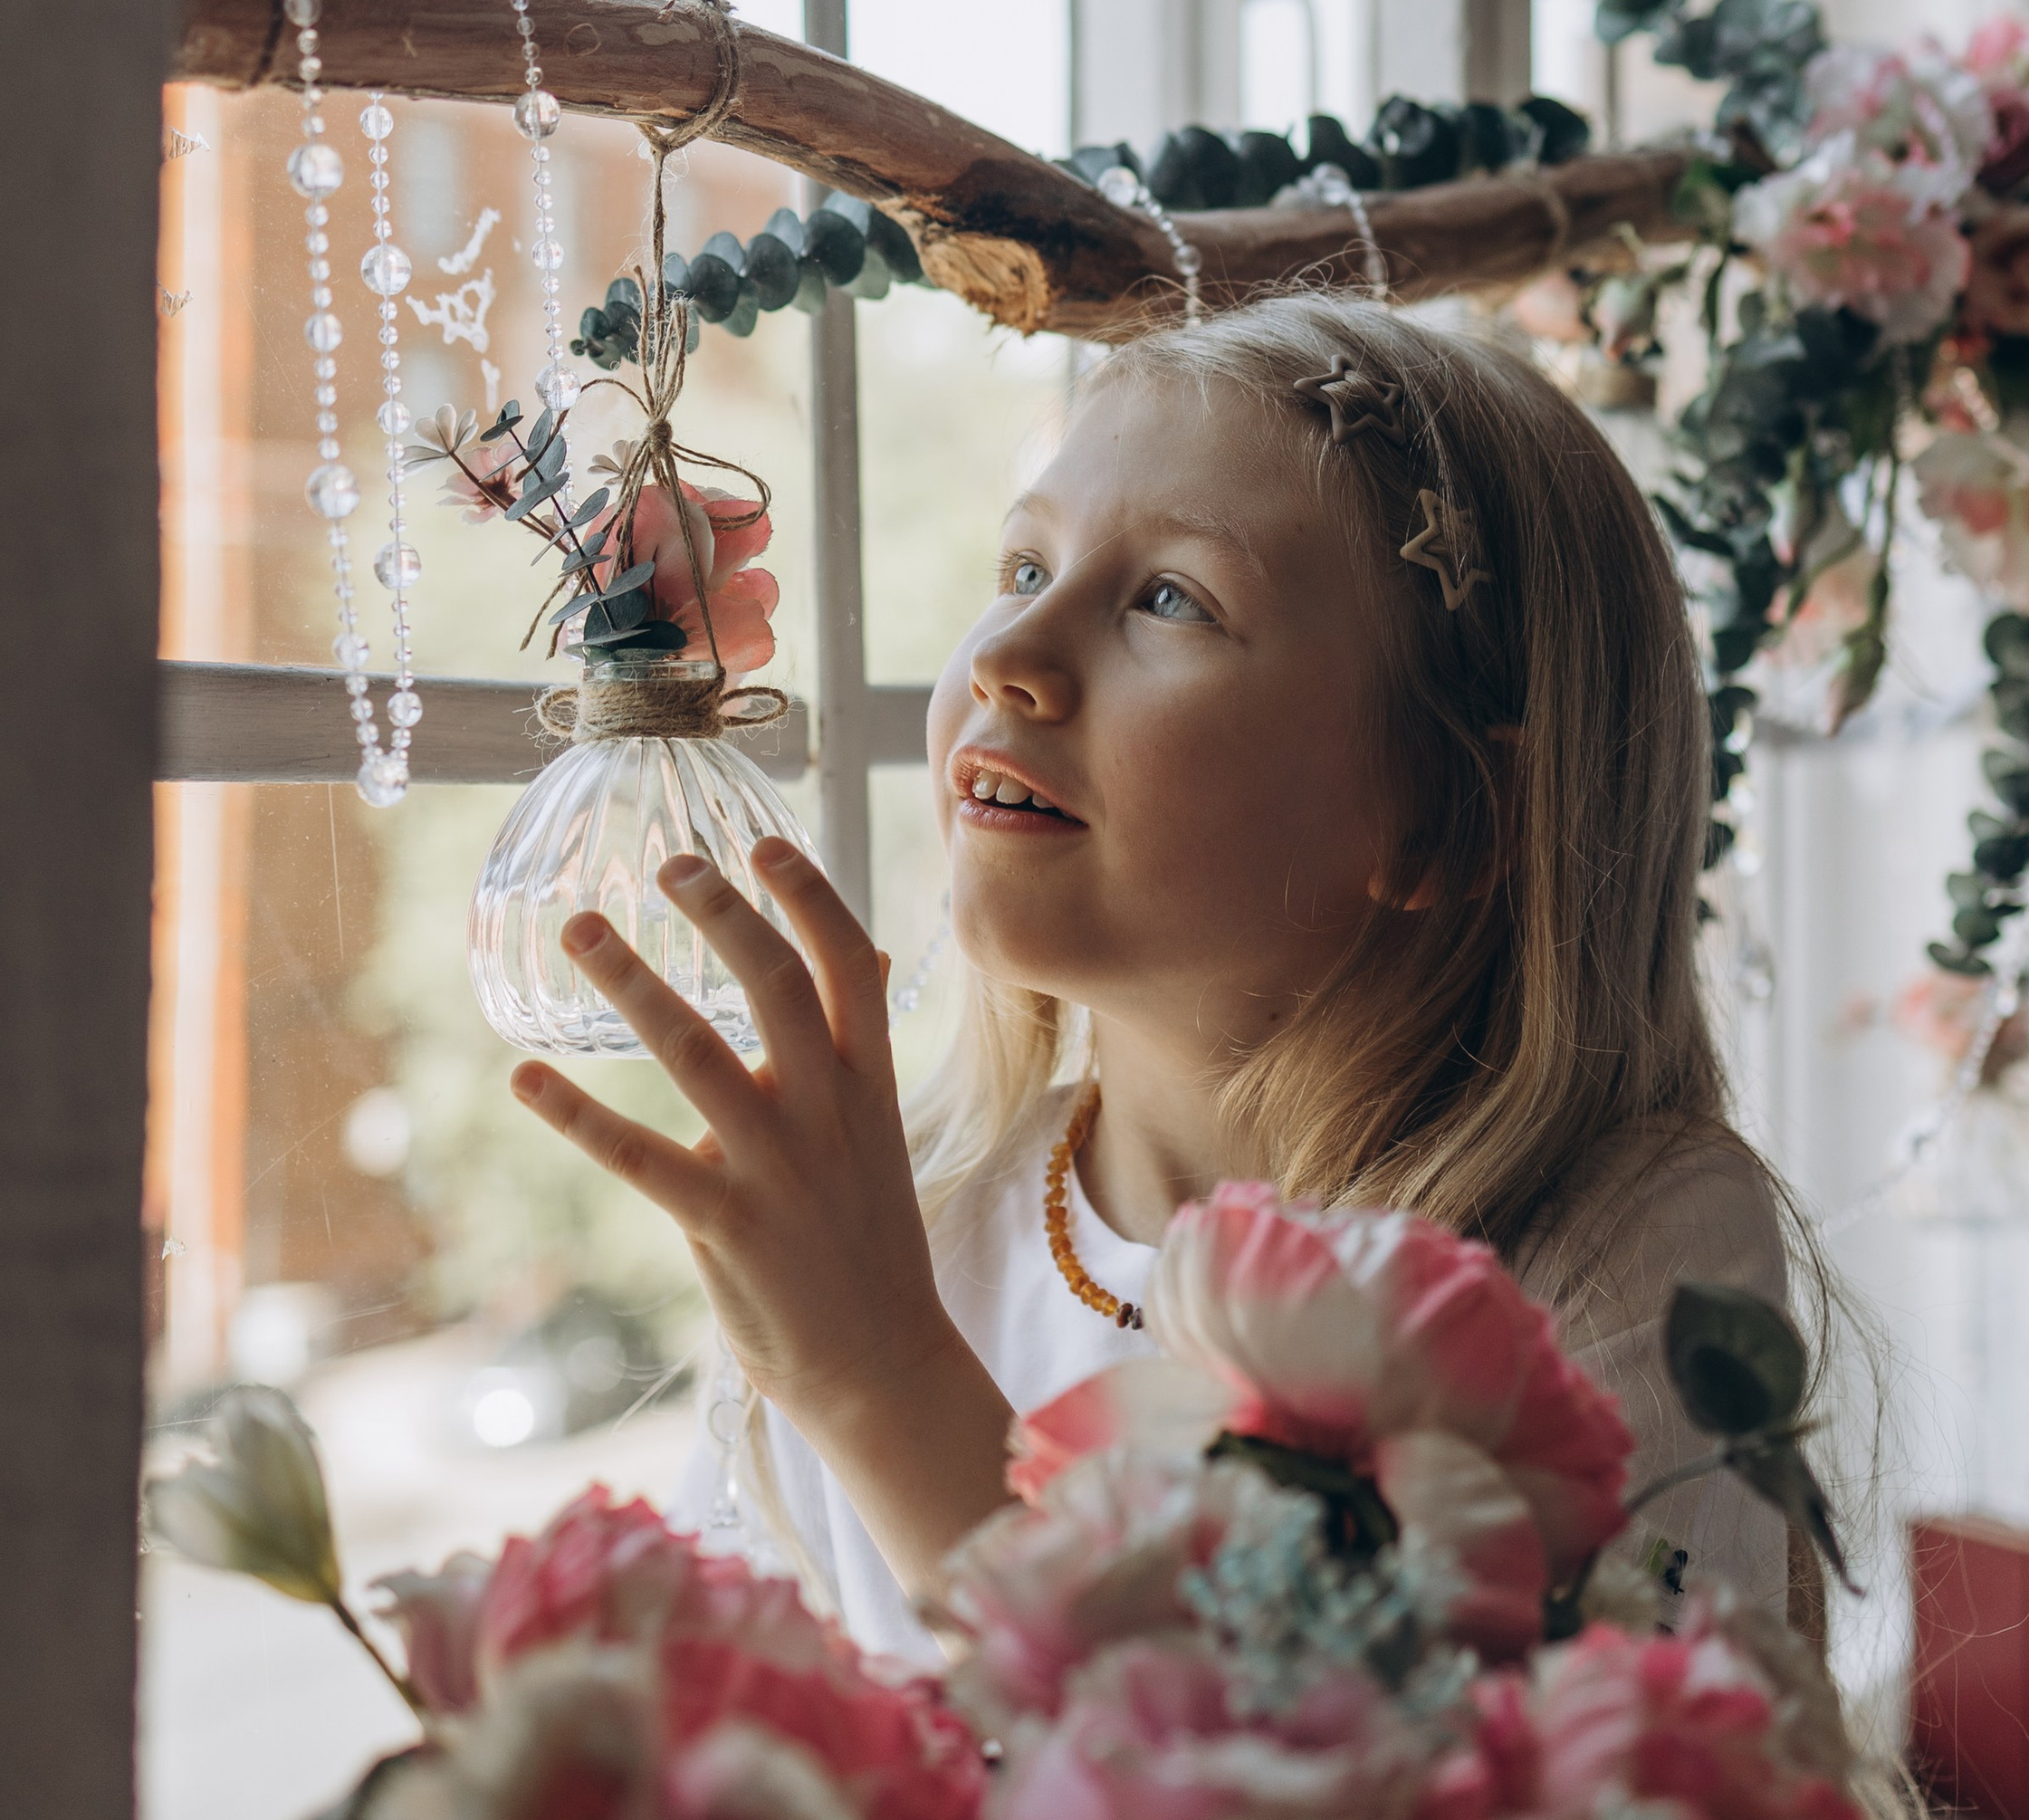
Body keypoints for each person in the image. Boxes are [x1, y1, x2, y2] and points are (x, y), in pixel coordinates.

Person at [511, 294, 1803, 1662]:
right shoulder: (915, 1222)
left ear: (1447, 816)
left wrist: (882, 1381)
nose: (1005, 659)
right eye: (1022, 568)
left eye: (1170, 599)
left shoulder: (1620, 1241)